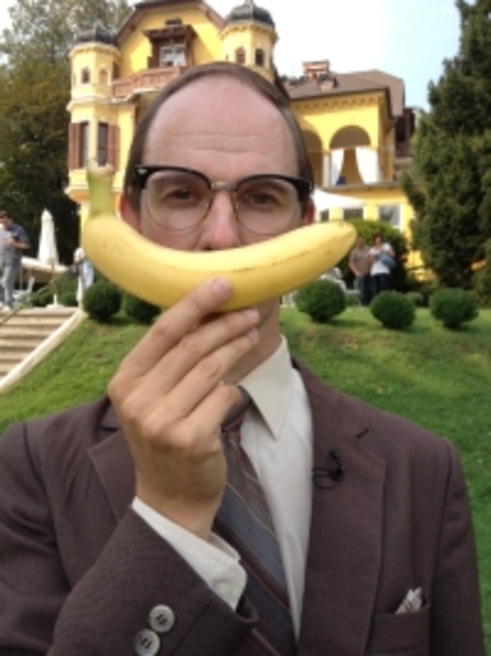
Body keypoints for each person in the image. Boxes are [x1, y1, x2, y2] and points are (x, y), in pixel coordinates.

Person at [0, 63, 485, 656]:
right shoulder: (31, 469)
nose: (222, 237)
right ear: (131, 221)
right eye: (182, 194)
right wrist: (169, 519)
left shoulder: (423, 470)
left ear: (303, 226)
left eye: (260, 198)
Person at [0, 210, 30, 311]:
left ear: (11, 220)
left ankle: (8, 304)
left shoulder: (19, 229)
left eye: (5, 222)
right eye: (1, 222)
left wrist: (14, 243)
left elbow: (26, 245)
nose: (4, 224)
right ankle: (1, 301)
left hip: (12, 260)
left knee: (7, 281)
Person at [349, 234, 372, 305]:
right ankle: (363, 305)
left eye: (362, 240)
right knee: (362, 292)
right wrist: (356, 272)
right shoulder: (354, 251)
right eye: (359, 241)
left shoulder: (368, 249)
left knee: (370, 290)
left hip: (369, 273)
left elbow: (373, 258)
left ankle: (370, 304)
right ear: (356, 242)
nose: (360, 242)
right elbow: (351, 263)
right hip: (360, 275)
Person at [369, 232, 395, 297]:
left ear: (381, 239)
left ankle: (385, 300)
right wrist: (374, 256)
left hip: (384, 270)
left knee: (384, 289)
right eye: (376, 238)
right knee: (376, 290)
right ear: (374, 240)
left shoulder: (386, 246)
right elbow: (371, 261)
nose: (378, 240)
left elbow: (393, 254)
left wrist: (383, 251)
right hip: (375, 272)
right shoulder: (372, 249)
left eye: (379, 238)